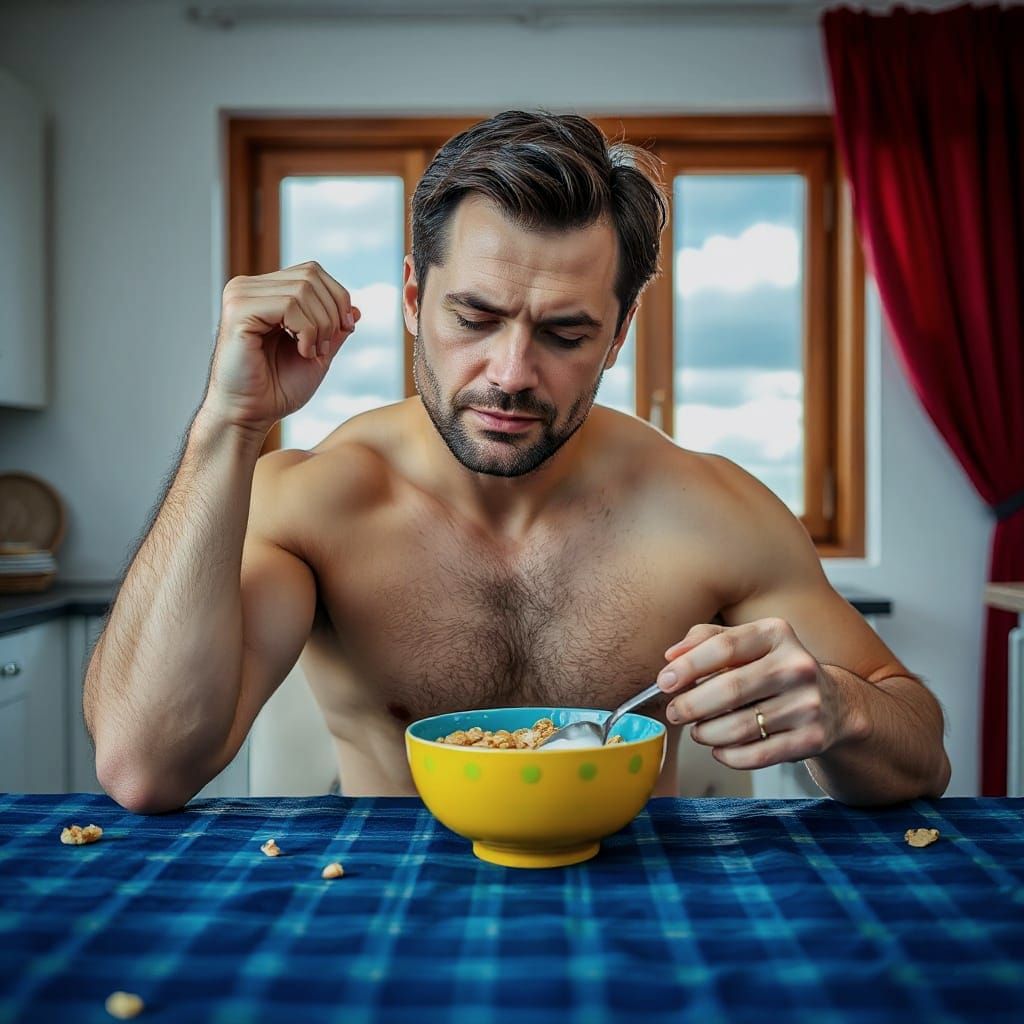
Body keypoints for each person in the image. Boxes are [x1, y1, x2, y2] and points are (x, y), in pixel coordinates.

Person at [84, 110, 950, 813]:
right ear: (416, 300)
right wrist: (228, 425)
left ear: (617, 337)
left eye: (565, 333)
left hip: (639, 913)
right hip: (386, 910)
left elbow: (922, 753)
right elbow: (144, 767)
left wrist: (840, 712)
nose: (509, 374)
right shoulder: (316, 503)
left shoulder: (710, 510)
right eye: (475, 317)